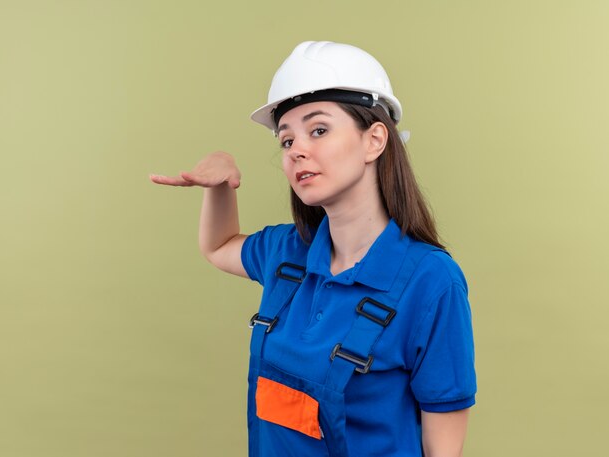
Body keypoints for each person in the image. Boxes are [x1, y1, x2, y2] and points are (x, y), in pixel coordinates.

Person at [151, 41, 476, 457]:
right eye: (286, 141)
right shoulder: (288, 254)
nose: (297, 150)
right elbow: (218, 247)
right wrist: (219, 185)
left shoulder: (431, 282)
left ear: (374, 140)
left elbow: (443, 450)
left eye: (318, 130)